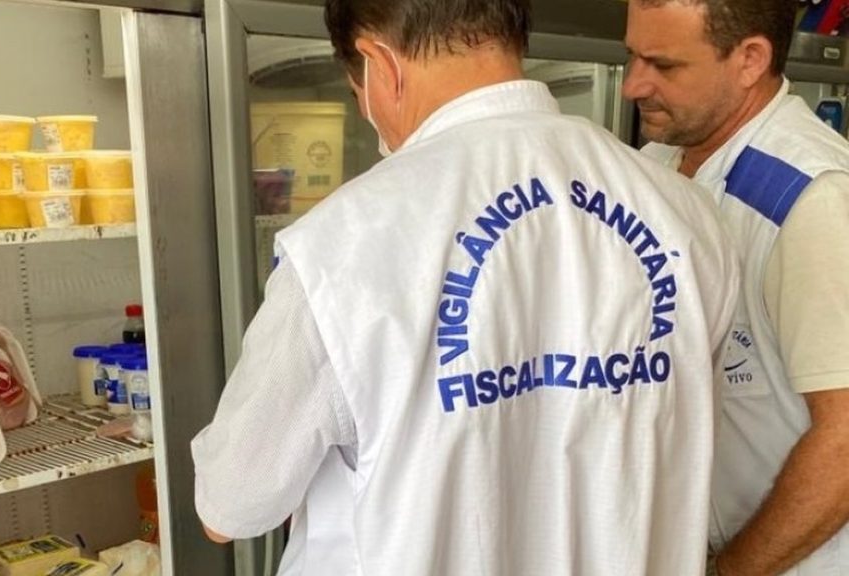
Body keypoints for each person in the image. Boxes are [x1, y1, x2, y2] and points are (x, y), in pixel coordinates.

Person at [192, 0, 738, 574]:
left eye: (357, 93)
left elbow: (231, 507)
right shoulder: (688, 216)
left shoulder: (340, 246)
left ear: (380, 65)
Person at [623, 1, 849, 574]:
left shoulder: (812, 199)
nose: (632, 86)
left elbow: (845, 439)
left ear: (750, 60)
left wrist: (729, 571)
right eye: (632, 57)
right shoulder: (653, 166)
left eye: (663, 65)